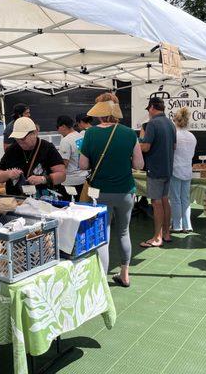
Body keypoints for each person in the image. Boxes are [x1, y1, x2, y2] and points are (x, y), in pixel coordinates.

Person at [79, 98, 144, 287]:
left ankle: (102, 278)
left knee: (103, 234)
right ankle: (125, 274)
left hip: (100, 192)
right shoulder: (129, 134)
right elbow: (139, 165)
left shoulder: (90, 133)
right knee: (124, 231)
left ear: (99, 112)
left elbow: (83, 165)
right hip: (125, 191)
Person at [0, 117, 66, 196]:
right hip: (16, 200)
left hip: (42, 200)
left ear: (34, 133)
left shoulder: (47, 148)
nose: (20, 141)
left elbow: (62, 175)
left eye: (23, 138)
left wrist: (43, 179)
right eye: (17, 139)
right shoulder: (12, 149)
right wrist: (7, 174)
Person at [139, 97, 177, 248]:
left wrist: (137, 145)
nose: (148, 112)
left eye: (148, 109)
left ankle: (157, 237)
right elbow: (174, 146)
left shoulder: (153, 124)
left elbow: (146, 147)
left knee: (156, 203)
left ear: (153, 108)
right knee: (164, 200)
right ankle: (166, 233)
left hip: (155, 169)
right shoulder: (171, 123)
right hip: (168, 168)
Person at [169, 107, 197, 234]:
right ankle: (188, 225)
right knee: (185, 199)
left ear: (175, 120)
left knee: (175, 198)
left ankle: (177, 225)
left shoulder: (174, 135)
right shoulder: (192, 137)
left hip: (175, 169)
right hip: (187, 170)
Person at [56, 115, 88, 201]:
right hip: (83, 179)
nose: (58, 131)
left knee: (67, 209)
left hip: (70, 181)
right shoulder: (81, 136)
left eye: (57, 127)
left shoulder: (66, 140)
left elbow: (64, 164)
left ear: (63, 126)